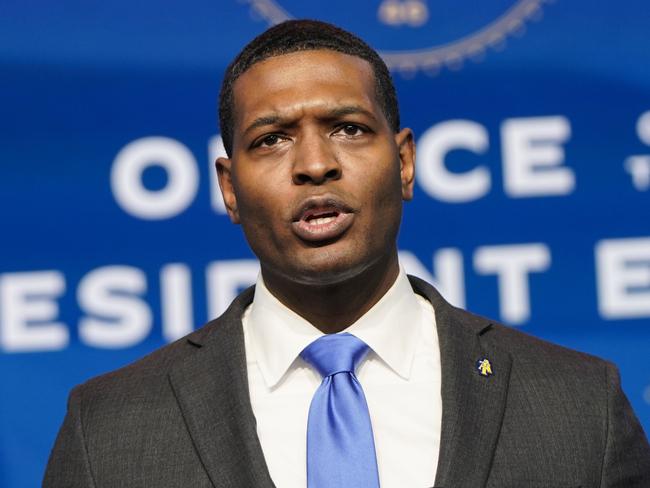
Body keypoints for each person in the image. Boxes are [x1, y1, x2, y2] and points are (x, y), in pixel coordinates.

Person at [44, 19, 650, 488]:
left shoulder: (578, 404)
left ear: (406, 162)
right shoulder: (110, 427)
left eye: (349, 128)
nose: (314, 164)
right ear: (230, 189)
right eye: (272, 139)